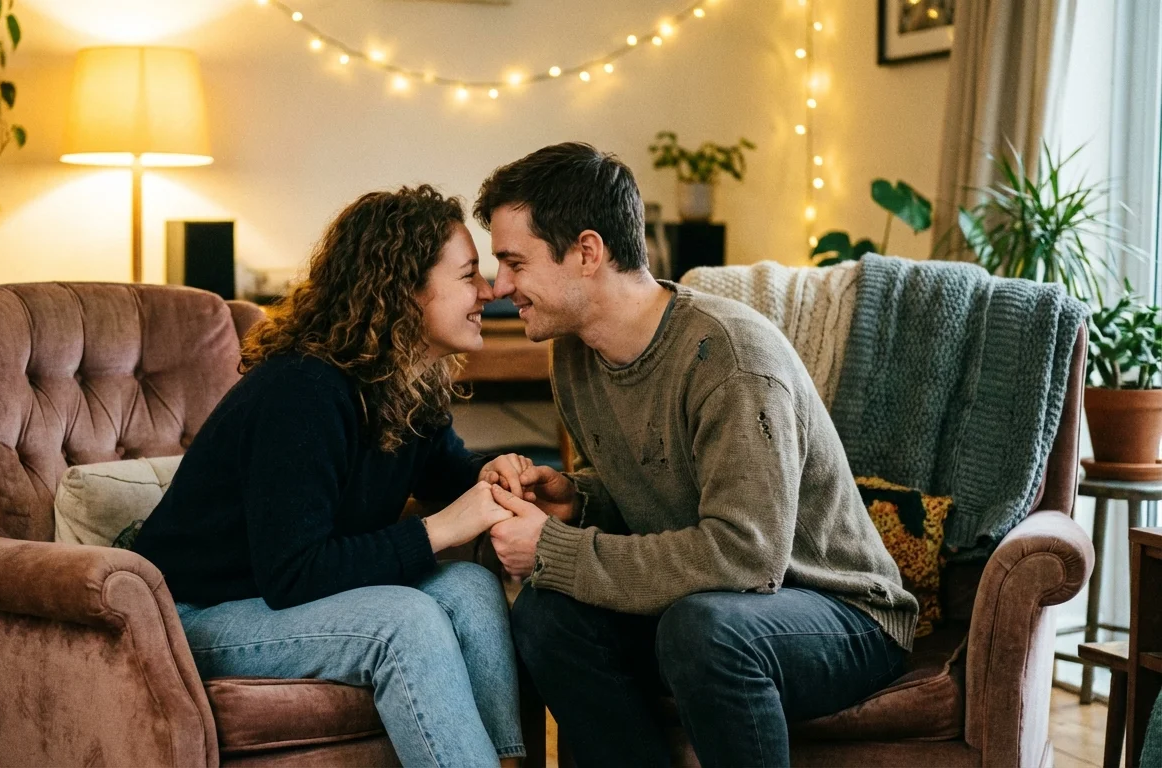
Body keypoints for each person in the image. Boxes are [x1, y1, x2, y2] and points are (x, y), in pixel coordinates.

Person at [471, 143, 919, 768]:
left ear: (587, 252)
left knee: (703, 630)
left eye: (514, 262)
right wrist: (579, 501)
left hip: (839, 611)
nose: (500, 286)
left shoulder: (730, 359)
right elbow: (661, 495)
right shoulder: (574, 355)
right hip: (705, 603)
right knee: (547, 617)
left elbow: (745, 557)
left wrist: (553, 549)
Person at [132, 185, 528, 768]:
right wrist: (441, 529)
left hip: (276, 600)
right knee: (405, 622)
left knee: (469, 590)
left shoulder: (406, 382)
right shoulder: (304, 391)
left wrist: (488, 475)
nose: (489, 291)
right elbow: (294, 573)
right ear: (405, 292)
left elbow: (448, 475)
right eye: (469, 275)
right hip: (197, 613)